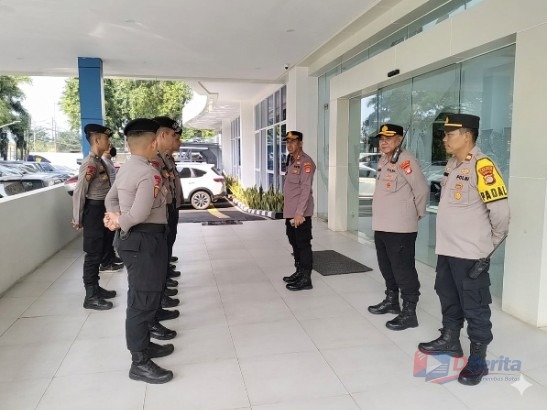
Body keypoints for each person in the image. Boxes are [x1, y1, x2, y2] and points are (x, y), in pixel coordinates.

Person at [418, 113, 510, 386]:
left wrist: (489, 245)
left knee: (475, 306)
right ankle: (450, 340)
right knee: (447, 295)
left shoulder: (483, 166)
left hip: (470, 254)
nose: (445, 139)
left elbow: (501, 213)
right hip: (447, 250)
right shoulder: (452, 164)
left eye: (450, 134)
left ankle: (478, 360)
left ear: (467, 136)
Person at [104, 118, 174, 384]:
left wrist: (115, 217)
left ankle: (144, 345)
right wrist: (120, 221)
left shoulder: (126, 168)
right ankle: (139, 362)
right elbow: (140, 213)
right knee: (142, 301)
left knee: (144, 295)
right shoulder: (148, 173)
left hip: (135, 240)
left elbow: (110, 198)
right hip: (143, 240)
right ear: (153, 142)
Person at [367, 124, 429, 331]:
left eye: (388, 138)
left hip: (400, 228)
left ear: (399, 139)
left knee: (403, 270)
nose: (383, 142)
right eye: (381, 138)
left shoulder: (406, 160)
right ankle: (392, 301)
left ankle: (409, 313)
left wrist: (416, 214)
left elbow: (421, 189)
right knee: (386, 266)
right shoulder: (384, 160)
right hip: (382, 225)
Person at [72, 123, 119, 311]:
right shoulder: (90, 163)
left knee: (101, 250)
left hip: (103, 210)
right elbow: (79, 191)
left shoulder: (100, 161)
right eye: (106, 138)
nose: (108, 142)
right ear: (97, 140)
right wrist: (77, 217)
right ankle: (90, 296)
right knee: (93, 254)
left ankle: (96, 288)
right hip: (94, 211)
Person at [282, 131, 316, 291]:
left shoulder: (306, 162)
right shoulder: (291, 160)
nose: (289, 144)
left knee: (303, 244)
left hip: (300, 213)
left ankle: (306, 278)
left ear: (301, 143)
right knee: (294, 242)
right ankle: (299, 271)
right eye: (287, 142)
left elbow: (305, 188)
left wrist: (299, 213)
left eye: (293, 141)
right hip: (290, 211)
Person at [101, 144, 123, 268]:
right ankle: (106, 261)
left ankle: (111, 256)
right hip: (106, 201)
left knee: (111, 233)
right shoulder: (103, 162)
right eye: (108, 145)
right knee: (107, 232)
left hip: (112, 200)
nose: (111, 148)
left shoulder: (109, 162)